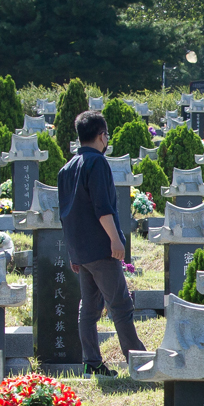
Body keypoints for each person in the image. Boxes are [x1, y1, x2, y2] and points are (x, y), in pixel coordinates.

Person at [57, 109, 145, 377]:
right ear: (101, 136)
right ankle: (138, 360)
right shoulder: (97, 164)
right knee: (120, 305)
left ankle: (92, 363)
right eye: (106, 135)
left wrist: (73, 253)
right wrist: (116, 240)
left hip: (81, 252)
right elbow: (102, 209)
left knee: (89, 308)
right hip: (101, 248)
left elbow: (66, 215)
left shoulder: (66, 169)